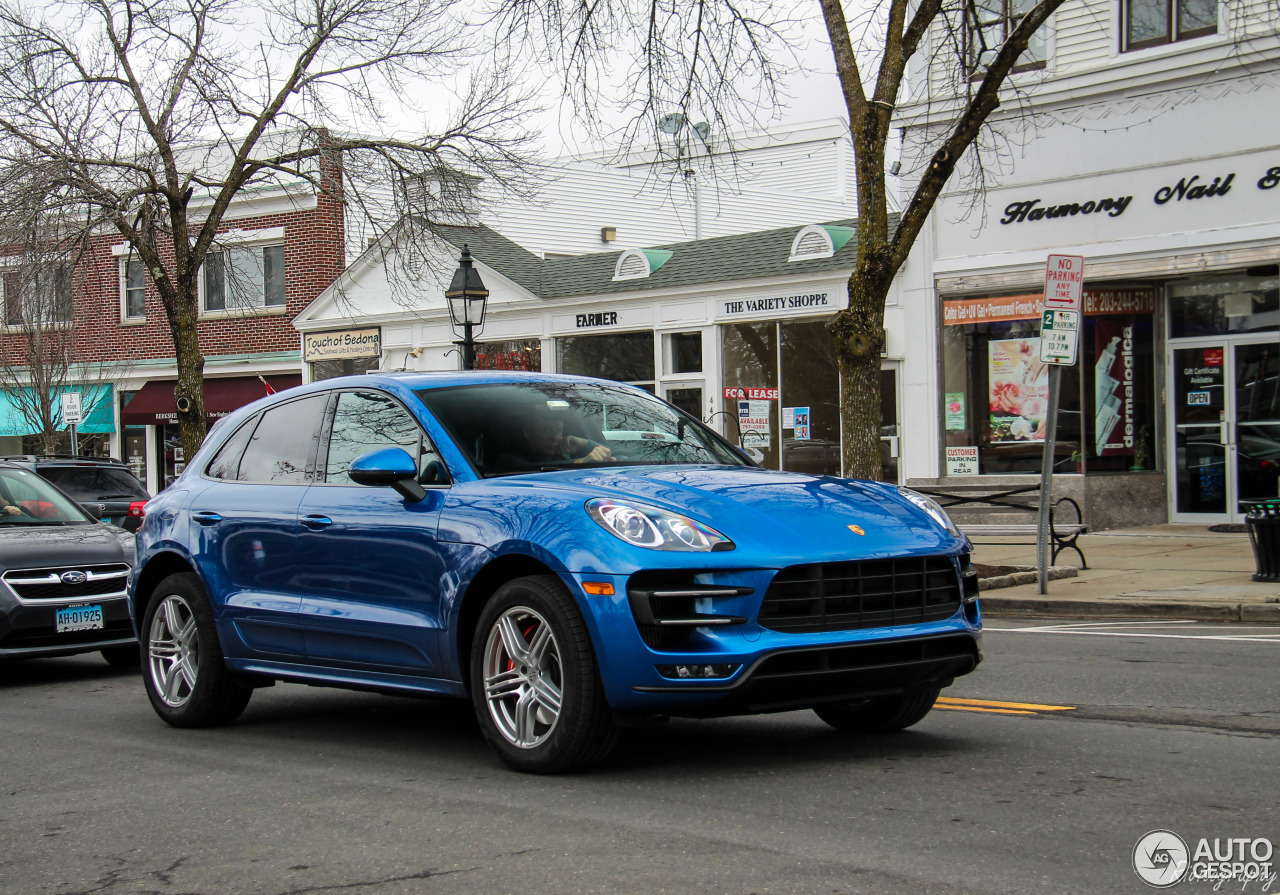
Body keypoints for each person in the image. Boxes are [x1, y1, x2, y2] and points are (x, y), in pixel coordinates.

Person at [501, 406, 613, 469]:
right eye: (547, 430)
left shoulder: (562, 455)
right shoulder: (509, 461)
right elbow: (536, 470)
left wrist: (583, 444)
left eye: (558, 431)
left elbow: (612, 455)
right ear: (528, 432)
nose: (555, 437)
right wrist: (582, 462)